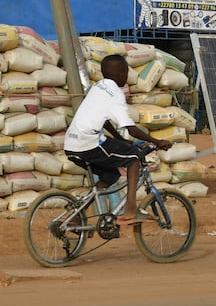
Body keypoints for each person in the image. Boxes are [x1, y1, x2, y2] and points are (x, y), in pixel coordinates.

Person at [64, 54, 173, 224]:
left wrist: (117, 139)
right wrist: (157, 142)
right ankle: (131, 209)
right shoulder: (115, 93)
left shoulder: (97, 87)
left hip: (71, 144)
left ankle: (77, 214)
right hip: (89, 143)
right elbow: (131, 130)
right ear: (123, 74)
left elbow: (105, 120)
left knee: (111, 175)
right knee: (134, 158)